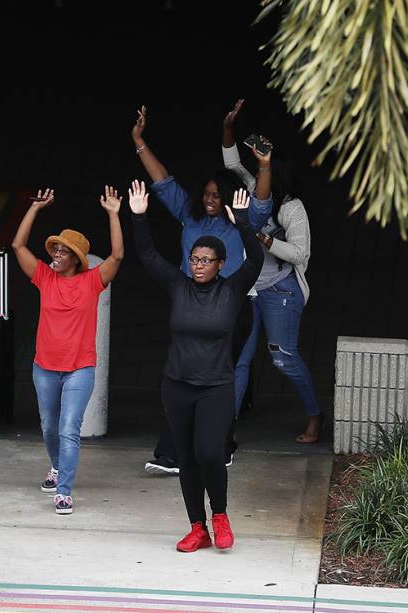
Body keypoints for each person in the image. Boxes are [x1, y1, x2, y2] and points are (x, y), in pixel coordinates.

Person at [131, 105, 272, 475]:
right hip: (191, 303)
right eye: (206, 194)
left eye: (215, 196)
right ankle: (199, 448)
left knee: (216, 376)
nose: (209, 200)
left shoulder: (240, 219)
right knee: (185, 373)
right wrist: (138, 141)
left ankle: (190, 450)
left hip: (232, 307)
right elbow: (162, 182)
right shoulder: (190, 215)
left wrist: (264, 166)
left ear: (227, 197)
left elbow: (260, 199)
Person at [128, 179, 265, 552]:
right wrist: (139, 218)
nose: (199, 265)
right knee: (186, 458)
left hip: (216, 386)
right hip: (177, 384)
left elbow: (256, 260)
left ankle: (219, 516)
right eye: (195, 259)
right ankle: (197, 527)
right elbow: (149, 256)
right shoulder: (179, 286)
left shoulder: (231, 290)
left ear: (220, 264)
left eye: (207, 260)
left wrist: (243, 224)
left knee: (209, 452)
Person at [11, 186, 124, 515]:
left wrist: (114, 214)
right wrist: (34, 208)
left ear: (77, 258)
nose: (55, 255)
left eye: (62, 252)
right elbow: (18, 245)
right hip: (44, 367)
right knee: (49, 427)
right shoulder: (45, 277)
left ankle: (64, 491)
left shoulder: (91, 281)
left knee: (68, 427)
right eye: (54, 249)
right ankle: (58, 466)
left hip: (79, 369)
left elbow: (117, 256)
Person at [221, 100, 322, 442]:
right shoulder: (254, 190)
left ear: (277, 177)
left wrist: (264, 238)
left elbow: (300, 252)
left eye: (266, 170)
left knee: (283, 359)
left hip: (281, 290)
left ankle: (314, 415)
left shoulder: (293, 208)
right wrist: (228, 128)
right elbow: (232, 163)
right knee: (240, 360)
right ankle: (224, 427)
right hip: (250, 289)